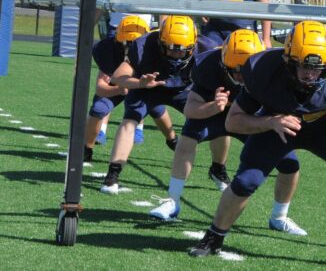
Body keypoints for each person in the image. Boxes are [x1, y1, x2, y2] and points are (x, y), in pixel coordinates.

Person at [189, 21, 326, 262]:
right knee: (246, 181)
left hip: (322, 124)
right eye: (303, 67)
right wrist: (270, 122)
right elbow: (233, 122)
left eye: (318, 68)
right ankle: (214, 236)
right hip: (276, 127)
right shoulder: (264, 71)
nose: (310, 75)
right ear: (288, 59)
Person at [149, 29, 306, 235]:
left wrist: (273, 120)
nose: (240, 77)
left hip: (253, 117)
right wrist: (214, 106)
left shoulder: (273, 68)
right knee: (187, 137)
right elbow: (190, 109)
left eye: (246, 71)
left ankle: (279, 217)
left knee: (289, 163)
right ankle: (173, 200)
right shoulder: (207, 66)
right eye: (235, 71)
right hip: (217, 114)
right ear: (223, 62)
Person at [100, 15, 217, 194]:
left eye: (183, 50)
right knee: (129, 120)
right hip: (148, 88)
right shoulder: (143, 45)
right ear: (160, 42)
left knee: (216, 119)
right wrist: (140, 83)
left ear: (194, 44)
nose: (177, 55)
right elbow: (117, 77)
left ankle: (218, 168)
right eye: (171, 49)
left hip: (184, 90)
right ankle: (112, 175)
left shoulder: (207, 48)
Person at [98, 0, 174, 144]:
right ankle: (101, 127)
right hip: (116, 31)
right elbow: (100, 3)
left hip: (143, 34)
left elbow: (163, 6)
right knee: (109, 78)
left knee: (142, 80)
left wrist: (163, 32)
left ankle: (140, 124)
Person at [84, 16, 175, 162]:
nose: (132, 48)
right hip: (119, 84)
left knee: (156, 107)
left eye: (136, 44)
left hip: (144, 85)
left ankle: (172, 139)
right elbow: (100, 89)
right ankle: (86, 149)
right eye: (127, 44)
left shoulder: (154, 50)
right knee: (98, 108)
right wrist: (118, 90)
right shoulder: (107, 50)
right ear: (117, 41)